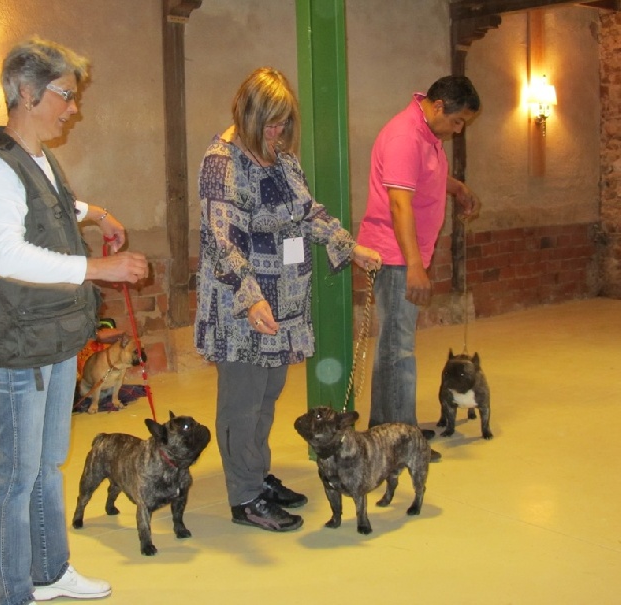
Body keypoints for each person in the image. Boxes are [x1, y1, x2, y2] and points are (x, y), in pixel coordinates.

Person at [0, 38, 148, 605]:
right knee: (16, 475)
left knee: (47, 464)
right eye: (65, 95)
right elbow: (6, 255)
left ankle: (49, 571)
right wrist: (98, 266)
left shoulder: (36, 156)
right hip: (17, 345)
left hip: (54, 335)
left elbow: (54, 202)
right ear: (27, 92)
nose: (73, 108)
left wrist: (97, 214)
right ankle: (11, 592)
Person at [194, 67, 382, 532]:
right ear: (247, 114)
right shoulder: (222, 162)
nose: (277, 133)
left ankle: (256, 475)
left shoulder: (281, 158)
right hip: (242, 306)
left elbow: (307, 213)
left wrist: (349, 246)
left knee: (266, 397)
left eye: (283, 124)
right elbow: (221, 240)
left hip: (284, 302)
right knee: (242, 403)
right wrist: (251, 298)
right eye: (270, 123)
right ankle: (245, 497)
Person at [356, 75, 482, 462]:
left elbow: (423, 176)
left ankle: (385, 429)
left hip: (404, 254)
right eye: (457, 121)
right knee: (399, 350)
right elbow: (399, 204)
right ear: (439, 106)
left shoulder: (426, 133)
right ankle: (401, 442)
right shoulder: (405, 136)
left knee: (393, 346)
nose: (458, 130)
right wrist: (414, 265)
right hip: (396, 256)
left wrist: (456, 187)